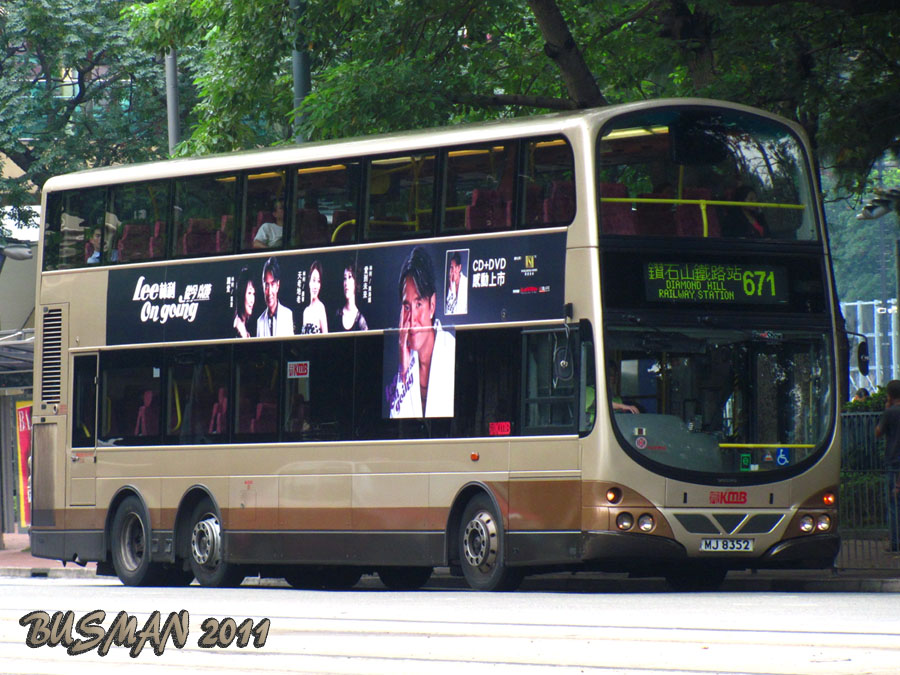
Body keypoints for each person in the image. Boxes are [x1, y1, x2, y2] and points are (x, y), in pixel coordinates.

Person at [386, 246, 456, 418]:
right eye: (406, 307)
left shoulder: (451, 349)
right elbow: (395, 422)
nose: (412, 320)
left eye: (418, 304)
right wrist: (403, 372)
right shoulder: (404, 363)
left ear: (432, 305)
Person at [875, 380, 900, 553]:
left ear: (890, 395)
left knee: (893, 505)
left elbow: (878, 432)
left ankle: (895, 543)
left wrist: (886, 408)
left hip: (893, 462)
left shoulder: (890, 412)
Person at [256, 257, 294, 337]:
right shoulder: (260, 321)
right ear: (263, 287)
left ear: (278, 285)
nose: (269, 292)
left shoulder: (288, 315)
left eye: (272, 284)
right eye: (266, 285)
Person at [336, 261, 368, 331]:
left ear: (356, 281)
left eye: (350, 277)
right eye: (345, 278)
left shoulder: (360, 321)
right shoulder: (337, 314)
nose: (346, 283)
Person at [301, 260, 329, 334]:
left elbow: (326, 337)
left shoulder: (321, 308)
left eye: (318, 281)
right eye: (313, 280)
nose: (316, 286)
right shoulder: (306, 311)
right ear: (309, 282)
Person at [232, 267, 257, 338]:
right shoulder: (239, 327)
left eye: (253, 294)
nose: (252, 300)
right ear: (241, 294)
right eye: (249, 293)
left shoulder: (243, 325)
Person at [445, 251, 468, 315]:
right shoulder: (449, 285)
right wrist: (450, 287)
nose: (452, 271)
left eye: (454, 267)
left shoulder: (466, 283)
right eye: (451, 268)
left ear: (459, 267)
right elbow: (447, 311)